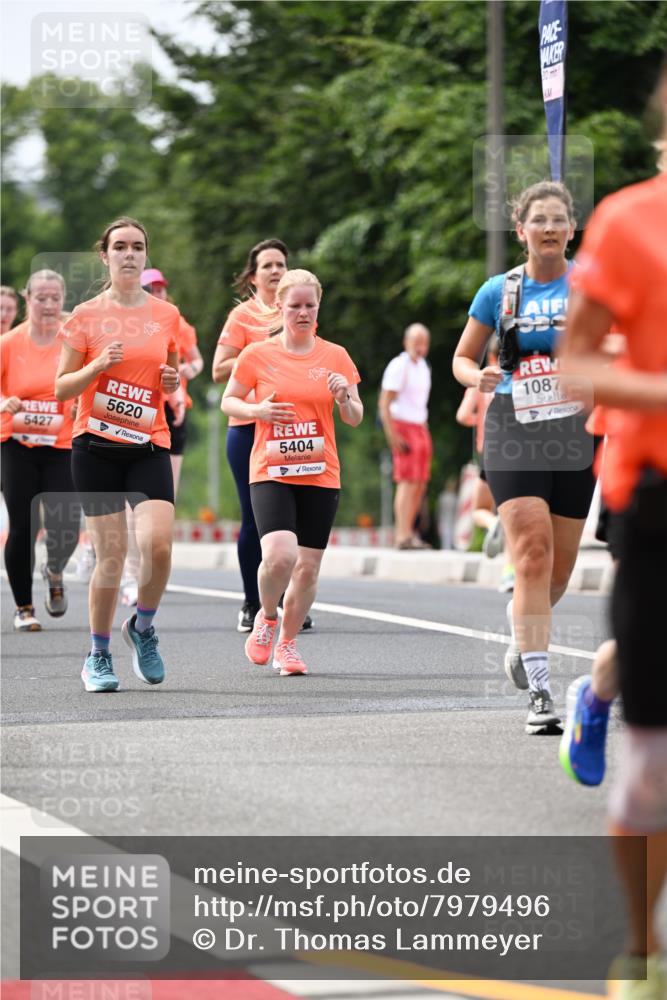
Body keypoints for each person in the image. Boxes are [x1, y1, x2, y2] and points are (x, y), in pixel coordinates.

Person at [560, 66, 667, 998]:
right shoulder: (632, 222)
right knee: (653, 765)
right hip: (657, 491)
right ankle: (640, 954)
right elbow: (575, 363)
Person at [453, 181, 596, 735]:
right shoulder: (499, 291)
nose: (551, 228)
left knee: (558, 573)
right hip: (514, 424)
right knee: (531, 555)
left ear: (572, 228)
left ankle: (523, 638)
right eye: (540, 220)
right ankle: (540, 689)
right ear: (521, 231)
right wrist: (478, 376)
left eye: (560, 219)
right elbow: (463, 358)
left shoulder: (591, 286)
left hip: (577, 430)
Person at [55, 217, 181, 693]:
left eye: (138, 247)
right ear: (104, 256)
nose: (129, 254)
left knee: (160, 548)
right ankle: (98, 655)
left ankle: (142, 628)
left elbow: (166, 376)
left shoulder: (165, 315)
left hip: (148, 442)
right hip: (96, 446)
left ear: (146, 256)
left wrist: (170, 382)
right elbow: (61, 386)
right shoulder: (85, 315)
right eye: (120, 247)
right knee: (112, 556)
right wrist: (96, 365)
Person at [221, 268, 362, 675]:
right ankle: (267, 616)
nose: (302, 312)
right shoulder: (257, 355)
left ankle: (287, 643)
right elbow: (229, 401)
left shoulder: (335, 356)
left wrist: (342, 399)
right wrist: (257, 410)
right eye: (295, 305)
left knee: (308, 567)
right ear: (279, 306)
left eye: (310, 305)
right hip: (271, 468)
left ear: (318, 307)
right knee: (281, 556)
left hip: (320, 472)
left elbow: (355, 416)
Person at [212, 239, 312, 632]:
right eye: (267, 265)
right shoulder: (243, 317)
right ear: (252, 275)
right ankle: (253, 603)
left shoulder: (299, 310)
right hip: (249, 427)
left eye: (281, 264)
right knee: (255, 518)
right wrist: (262, 351)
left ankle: (291, 601)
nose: (274, 270)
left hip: (293, 427)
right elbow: (220, 370)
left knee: (296, 518)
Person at [118, 267, 204, 607]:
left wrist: (185, 371)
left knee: (163, 496)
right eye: (149, 288)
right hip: (135, 409)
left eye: (160, 288)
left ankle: (152, 571)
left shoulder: (178, 323)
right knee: (131, 499)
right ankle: (129, 573)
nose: (156, 293)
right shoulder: (127, 321)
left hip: (174, 411)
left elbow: (197, 362)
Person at [0, 270, 80, 631]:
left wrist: (82, 402)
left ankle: (55, 569)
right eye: (40, 298)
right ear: (27, 299)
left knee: (66, 527)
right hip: (16, 444)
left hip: (63, 444)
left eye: (55, 298)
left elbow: (89, 380)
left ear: (63, 300)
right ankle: (24, 608)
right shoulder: (10, 343)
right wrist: (6, 401)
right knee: (23, 525)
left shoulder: (73, 340)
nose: (48, 305)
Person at [455, 336, 514, 589]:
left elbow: (463, 415)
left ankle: (492, 523)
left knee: (480, 508)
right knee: (513, 511)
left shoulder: (480, 381)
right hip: (516, 450)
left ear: (490, 357)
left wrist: (478, 422)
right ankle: (510, 571)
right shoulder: (514, 378)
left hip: (488, 451)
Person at [379, 323, 433, 549]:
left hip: (420, 423)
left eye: (423, 343)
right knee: (407, 481)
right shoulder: (399, 365)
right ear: (406, 342)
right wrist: (391, 434)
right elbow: (385, 401)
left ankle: (410, 531)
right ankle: (401, 534)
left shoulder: (423, 366)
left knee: (420, 482)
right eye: (416, 342)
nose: (419, 347)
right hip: (402, 424)